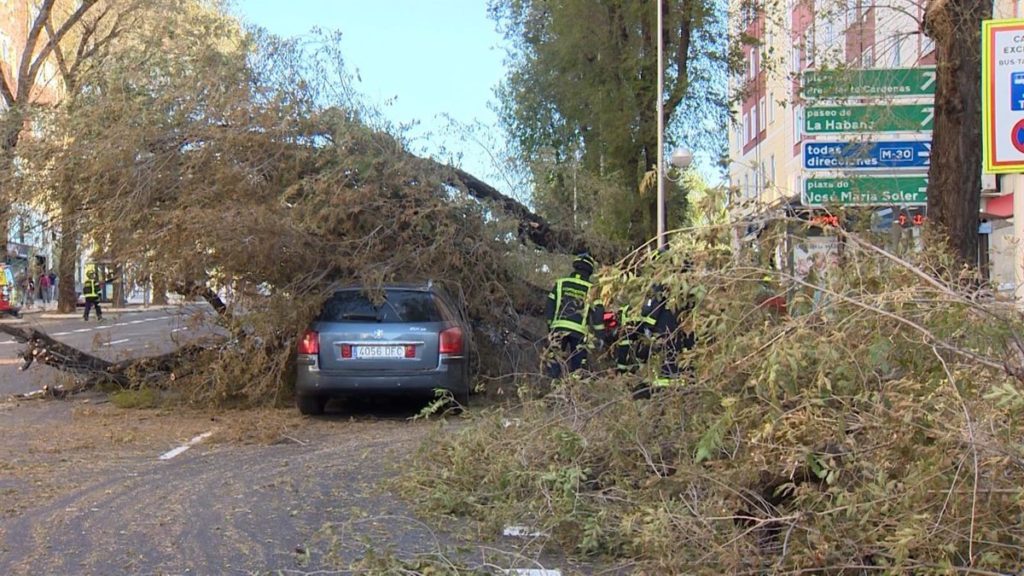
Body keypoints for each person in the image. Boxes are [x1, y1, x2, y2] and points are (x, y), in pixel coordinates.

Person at [638, 250, 702, 395]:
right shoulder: (689, 286)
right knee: (680, 362)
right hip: (683, 332)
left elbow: (653, 306)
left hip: (663, 331)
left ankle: (663, 394)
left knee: (665, 364)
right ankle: (683, 392)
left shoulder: (661, 283)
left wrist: (647, 326)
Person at [544, 252, 605, 379]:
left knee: (554, 364)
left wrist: (550, 328)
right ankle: (573, 393)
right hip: (579, 333)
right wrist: (600, 337)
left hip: (558, 330)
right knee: (577, 369)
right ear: (590, 271)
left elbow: (550, 306)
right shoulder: (592, 289)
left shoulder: (561, 283)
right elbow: (598, 315)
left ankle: (552, 391)